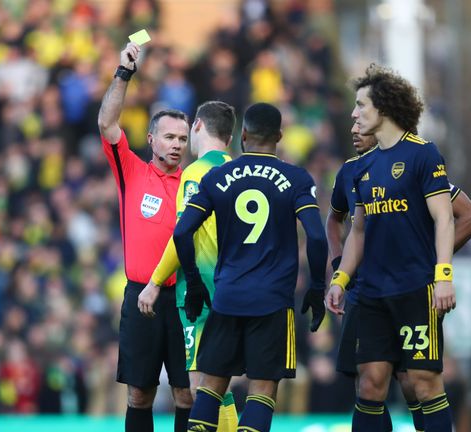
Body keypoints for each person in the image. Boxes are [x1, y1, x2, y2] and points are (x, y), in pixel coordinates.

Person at [174, 103, 328, 432]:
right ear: (280, 137)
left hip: (227, 297)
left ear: (243, 136)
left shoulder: (216, 177)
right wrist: (317, 287)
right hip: (272, 301)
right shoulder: (296, 178)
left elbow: (181, 231)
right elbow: (316, 236)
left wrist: (194, 282)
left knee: (210, 388)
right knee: (262, 391)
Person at [328, 123, 471, 431]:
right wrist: (338, 269)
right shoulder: (351, 171)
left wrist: (429, 261)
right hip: (366, 292)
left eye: (362, 120)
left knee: (414, 380)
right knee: (369, 382)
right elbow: (336, 221)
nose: (354, 128)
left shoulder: (413, 165)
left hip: (410, 290)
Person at [97, 41, 192, 432]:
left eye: (183, 139)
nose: (176, 145)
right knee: (139, 394)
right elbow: (106, 123)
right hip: (141, 298)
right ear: (152, 140)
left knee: (188, 395)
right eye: (169, 137)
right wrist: (124, 73)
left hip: (186, 297)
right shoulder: (132, 172)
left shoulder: (196, 182)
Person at [137, 100, 239, 431]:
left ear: (197, 127)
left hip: (202, 293)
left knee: (202, 387)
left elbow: (182, 236)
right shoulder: (239, 172)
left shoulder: (195, 173)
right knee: (217, 384)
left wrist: (154, 281)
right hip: (233, 290)